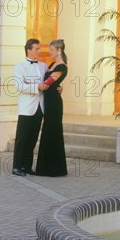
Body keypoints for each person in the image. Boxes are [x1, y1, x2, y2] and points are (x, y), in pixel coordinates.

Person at [12, 38, 47, 176]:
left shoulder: (43, 66)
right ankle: (16, 167)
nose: (39, 51)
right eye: (37, 49)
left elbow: (48, 82)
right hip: (26, 108)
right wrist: (36, 86)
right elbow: (20, 86)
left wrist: (58, 88)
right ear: (29, 50)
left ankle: (27, 167)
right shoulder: (19, 67)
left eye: (39, 48)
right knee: (21, 139)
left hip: (40, 107)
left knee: (32, 139)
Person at [35, 39, 68, 176]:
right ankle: (45, 168)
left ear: (59, 51)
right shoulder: (53, 64)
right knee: (47, 132)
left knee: (52, 132)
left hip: (54, 103)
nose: (49, 52)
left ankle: (53, 169)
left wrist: (30, 83)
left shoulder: (62, 67)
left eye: (52, 50)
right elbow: (52, 84)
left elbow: (48, 83)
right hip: (48, 101)